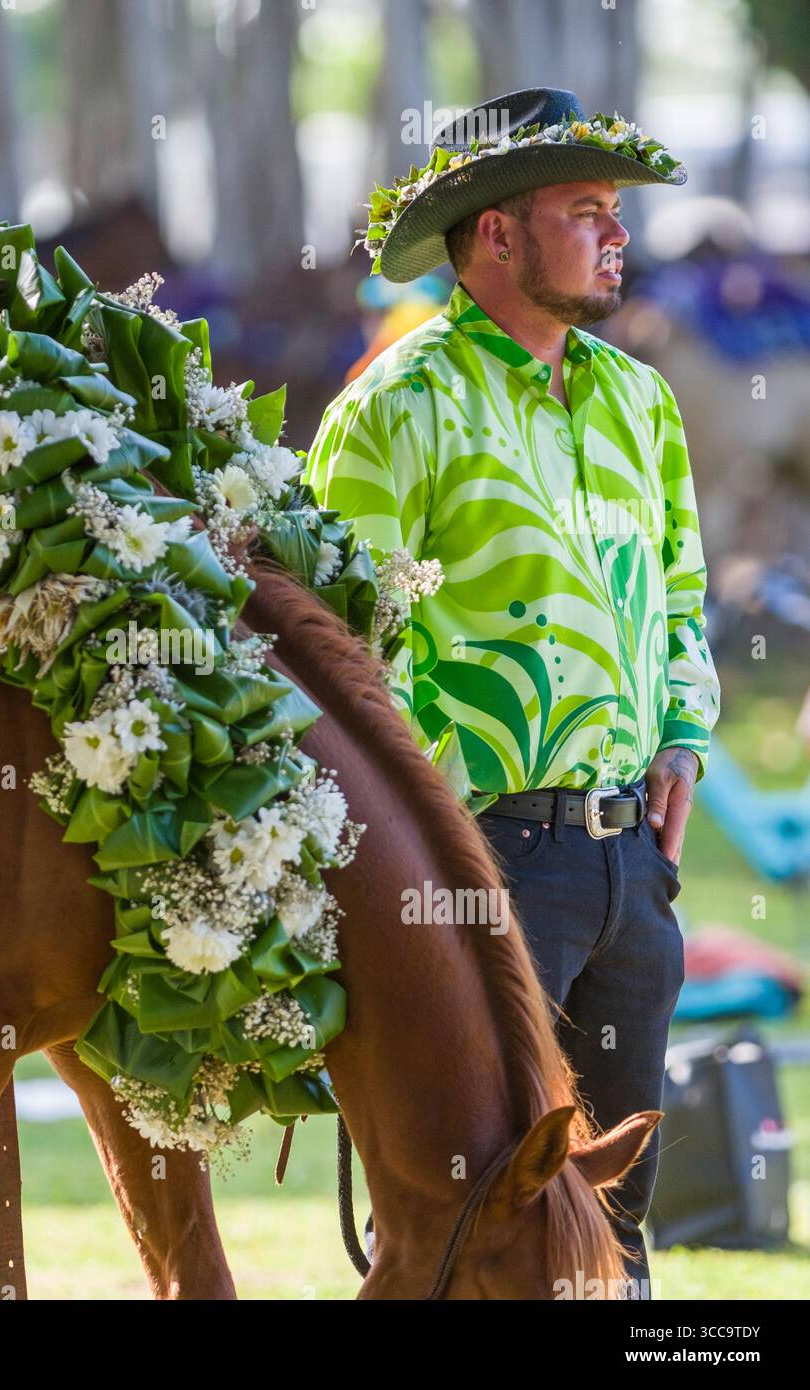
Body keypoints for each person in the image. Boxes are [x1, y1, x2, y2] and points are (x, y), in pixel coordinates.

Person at [305, 88, 721, 1296]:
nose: (616, 234)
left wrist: (685, 740)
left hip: (629, 862)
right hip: (473, 867)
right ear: (495, 233)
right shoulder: (394, 408)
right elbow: (335, 653)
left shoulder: (637, 400)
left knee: (613, 1212)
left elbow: (683, 600)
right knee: (460, 1202)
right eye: (584, 209)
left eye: (614, 212)